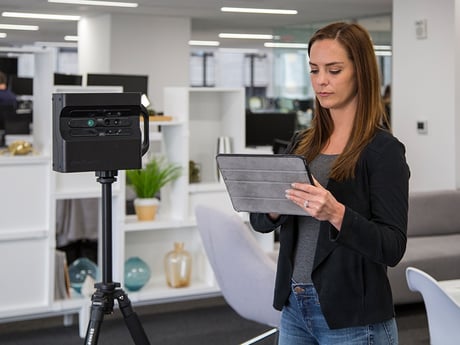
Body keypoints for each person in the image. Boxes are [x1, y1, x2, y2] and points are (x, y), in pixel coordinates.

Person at [250, 22, 410, 345]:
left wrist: (336, 213)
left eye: (334, 70)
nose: (321, 81)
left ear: (360, 72)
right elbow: (259, 221)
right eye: (314, 70)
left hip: (352, 316)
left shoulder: (382, 150)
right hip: (295, 307)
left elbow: (392, 247)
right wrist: (271, 209)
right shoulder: (302, 143)